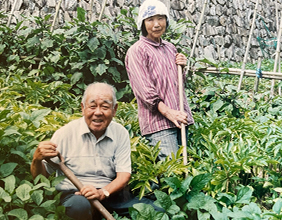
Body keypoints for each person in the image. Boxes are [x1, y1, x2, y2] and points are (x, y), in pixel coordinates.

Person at [30, 82, 156, 220]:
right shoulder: (64, 134)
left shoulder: (120, 133)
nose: (98, 112)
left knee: (155, 209)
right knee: (79, 206)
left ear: (114, 110)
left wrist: (102, 193)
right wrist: (36, 159)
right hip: (75, 195)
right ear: (83, 108)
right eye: (92, 106)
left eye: (105, 107)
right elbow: (41, 178)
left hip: (109, 194)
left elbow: (123, 175)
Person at [125, 0, 194, 160]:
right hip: (159, 125)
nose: (156, 24)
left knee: (183, 173)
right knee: (170, 173)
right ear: (142, 23)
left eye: (160, 18)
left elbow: (178, 85)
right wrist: (170, 113)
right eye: (150, 20)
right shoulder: (137, 51)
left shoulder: (170, 48)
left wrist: (181, 68)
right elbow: (145, 91)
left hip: (179, 119)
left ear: (167, 20)